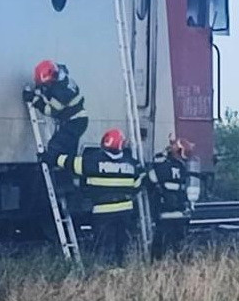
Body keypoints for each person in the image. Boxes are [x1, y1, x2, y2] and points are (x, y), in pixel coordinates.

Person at [57, 128, 141, 265]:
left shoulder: (93, 160)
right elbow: (137, 186)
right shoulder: (130, 164)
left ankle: (107, 271)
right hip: (125, 211)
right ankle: (121, 270)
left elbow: (71, 163)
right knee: (121, 244)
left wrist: (52, 157)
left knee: (104, 245)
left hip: (103, 211)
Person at [27, 59, 89, 168]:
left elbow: (50, 110)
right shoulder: (62, 79)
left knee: (54, 147)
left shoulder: (62, 91)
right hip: (77, 121)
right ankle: (67, 174)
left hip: (74, 122)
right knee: (68, 152)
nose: (46, 86)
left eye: (47, 84)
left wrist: (34, 99)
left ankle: (50, 168)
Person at [145, 136, 194, 260]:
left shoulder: (162, 165)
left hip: (164, 212)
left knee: (160, 245)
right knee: (179, 246)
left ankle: (157, 263)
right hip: (180, 214)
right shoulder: (182, 169)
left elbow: (149, 180)